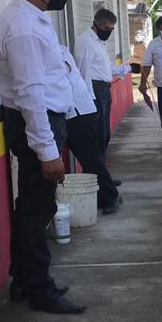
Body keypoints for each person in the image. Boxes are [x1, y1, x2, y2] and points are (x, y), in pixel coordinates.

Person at [0, 0, 85, 315]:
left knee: (31, 205)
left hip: (41, 121)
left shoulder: (28, 18)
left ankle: (24, 280)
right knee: (36, 208)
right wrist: (47, 151)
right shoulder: (23, 28)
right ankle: (40, 290)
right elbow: (30, 92)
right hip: (37, 124)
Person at [62, 46, 124, 215]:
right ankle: (103, 194)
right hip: (76, 111)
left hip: (78, 112)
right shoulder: (58, 51)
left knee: (90, 158)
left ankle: (110, 196)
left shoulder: (58, 54)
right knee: (92, 158)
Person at [74, 8, 131, 160]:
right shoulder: (85, 41)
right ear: (96, 24)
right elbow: (82, 71)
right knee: (98, 135)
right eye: (106, 28)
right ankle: (99, 176)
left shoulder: (99, 42)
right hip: (94, 90)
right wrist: (89, 99)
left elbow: (106, 68)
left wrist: (126, 68)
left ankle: (102, 174)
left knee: (104, 134)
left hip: (104, 89)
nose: (109, 32)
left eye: (111, 29)